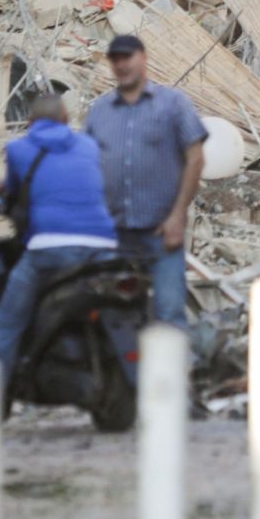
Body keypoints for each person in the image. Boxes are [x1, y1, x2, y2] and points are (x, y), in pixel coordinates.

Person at [0, 94, 118, 383]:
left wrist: (1, 190)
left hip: (48, 248)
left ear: (29, 123)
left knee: (7, 323)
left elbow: (17, 190)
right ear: (67, 119)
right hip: (103, 246)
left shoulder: (18, 149)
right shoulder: (89, 146)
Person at [84, 34, 207, 328]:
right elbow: (86, 164)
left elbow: (196, 158)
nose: (122, 64)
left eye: (127, 57)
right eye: (115, 59)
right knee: (110, 317)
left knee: (168, 314)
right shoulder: (99, 112)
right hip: (113, 235)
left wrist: (178, 216)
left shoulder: (173, 104)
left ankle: (172, 373)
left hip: (161, 233)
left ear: (143, 58)